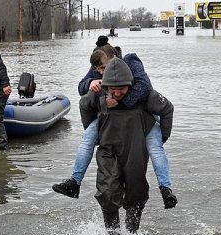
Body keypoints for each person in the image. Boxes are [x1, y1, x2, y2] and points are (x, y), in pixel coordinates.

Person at [53, 42, 177, 209]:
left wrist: (163, 136)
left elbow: (146, 87)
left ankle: (165, 188)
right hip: (108, 128)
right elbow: (83, 94)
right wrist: (92, 82)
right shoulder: (99, 68)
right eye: (99, 71)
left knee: (155, 149)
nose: (101, 72)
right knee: (87, 141)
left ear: (114, 58)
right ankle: (74, 181)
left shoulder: (131, 62)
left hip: (142, 124)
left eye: (103, 69)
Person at [81, 57, 173, 235]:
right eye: (112, 89)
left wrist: (161, 137)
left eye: (121, 89)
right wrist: (92, 132)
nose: (116, 93)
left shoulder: (144, 96)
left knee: (136, 194)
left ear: (130, 84)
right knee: (107, 193)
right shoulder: (99, 96)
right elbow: (84, 105)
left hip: (135, 151)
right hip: (108, 151)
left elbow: (167, 109)